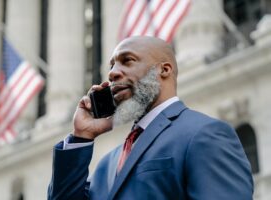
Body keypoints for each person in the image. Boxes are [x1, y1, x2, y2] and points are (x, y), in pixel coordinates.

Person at [48, 36, 253, 200]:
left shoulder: (204, 134)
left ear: (164, 70)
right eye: (111, 66)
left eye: (127, 61)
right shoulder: (106, 165)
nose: (112, 74)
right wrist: (82, 136)